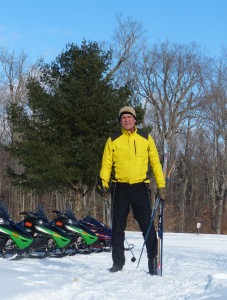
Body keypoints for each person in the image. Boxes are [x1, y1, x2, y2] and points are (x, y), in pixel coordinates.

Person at [97, 106, 166, 275]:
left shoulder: (145, 138)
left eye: (129, 117)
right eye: (123, 117)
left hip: (140, 187)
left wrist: (161, 185)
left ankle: (152, 262)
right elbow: (106, 164)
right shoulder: (113, 139)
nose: (127, 120)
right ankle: (118, 263)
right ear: (120, 121)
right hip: (119, 187)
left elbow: (156, 164)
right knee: (117, 227)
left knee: (147, 225)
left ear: (135, 120)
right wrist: (103, 182)